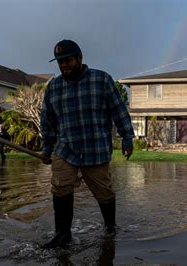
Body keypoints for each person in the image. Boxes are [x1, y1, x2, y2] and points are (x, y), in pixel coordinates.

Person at [40, 39, 134, 249]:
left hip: (96, 150)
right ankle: (63, 235)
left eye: (68, 60)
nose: (64, 65)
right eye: (60, 62)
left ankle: (110, 228)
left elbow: (119, 111)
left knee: (104, 192)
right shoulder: (54, 87)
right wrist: (47, 147)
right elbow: (47, 120)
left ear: (80, 58)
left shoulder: (101, 80)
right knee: (60, 189)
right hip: (65, 150)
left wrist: (127, 138)